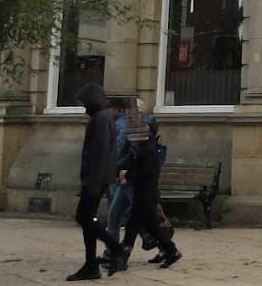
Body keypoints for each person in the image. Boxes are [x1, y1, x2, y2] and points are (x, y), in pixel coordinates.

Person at [68, 83, 125, 281]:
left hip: (96, 177)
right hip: (96, 177)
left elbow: (100, 152)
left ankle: (116, 248)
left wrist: (92, 182)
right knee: (87, 219)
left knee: (84, 217)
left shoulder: (100, 118)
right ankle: (91, 263)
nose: (84, 107)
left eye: (85, 103)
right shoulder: (102, 117)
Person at [110, 114, 181, 272]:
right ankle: (171, 251)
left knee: (132, 226)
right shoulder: (139, 149)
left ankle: (122, 257)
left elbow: (146, 173)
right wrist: (116, 169)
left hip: (146, 195)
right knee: (151, 226)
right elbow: (127, 161)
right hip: (143, 194)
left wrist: (127, 175)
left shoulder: (148, 150)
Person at [104, 97, 132, 240]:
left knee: (115, 196)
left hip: (116, 166)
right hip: (114, 166)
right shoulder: (116, 123)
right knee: (112, 195)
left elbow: (118, 147)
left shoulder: (120, 124)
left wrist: (115, 165)